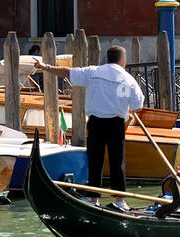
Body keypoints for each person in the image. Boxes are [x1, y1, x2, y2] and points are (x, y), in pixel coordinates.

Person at [35, 44, 143, 211]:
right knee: (117, 162)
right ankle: (120, 200)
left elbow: (66, 72)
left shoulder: (93, 72)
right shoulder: (128, 79)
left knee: (95, 161)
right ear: (123, 60)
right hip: (116, 124)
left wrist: (45, 67)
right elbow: (137, 107)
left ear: (108, 58)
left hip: (96, 123)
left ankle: (94, 199)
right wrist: (126, 107)